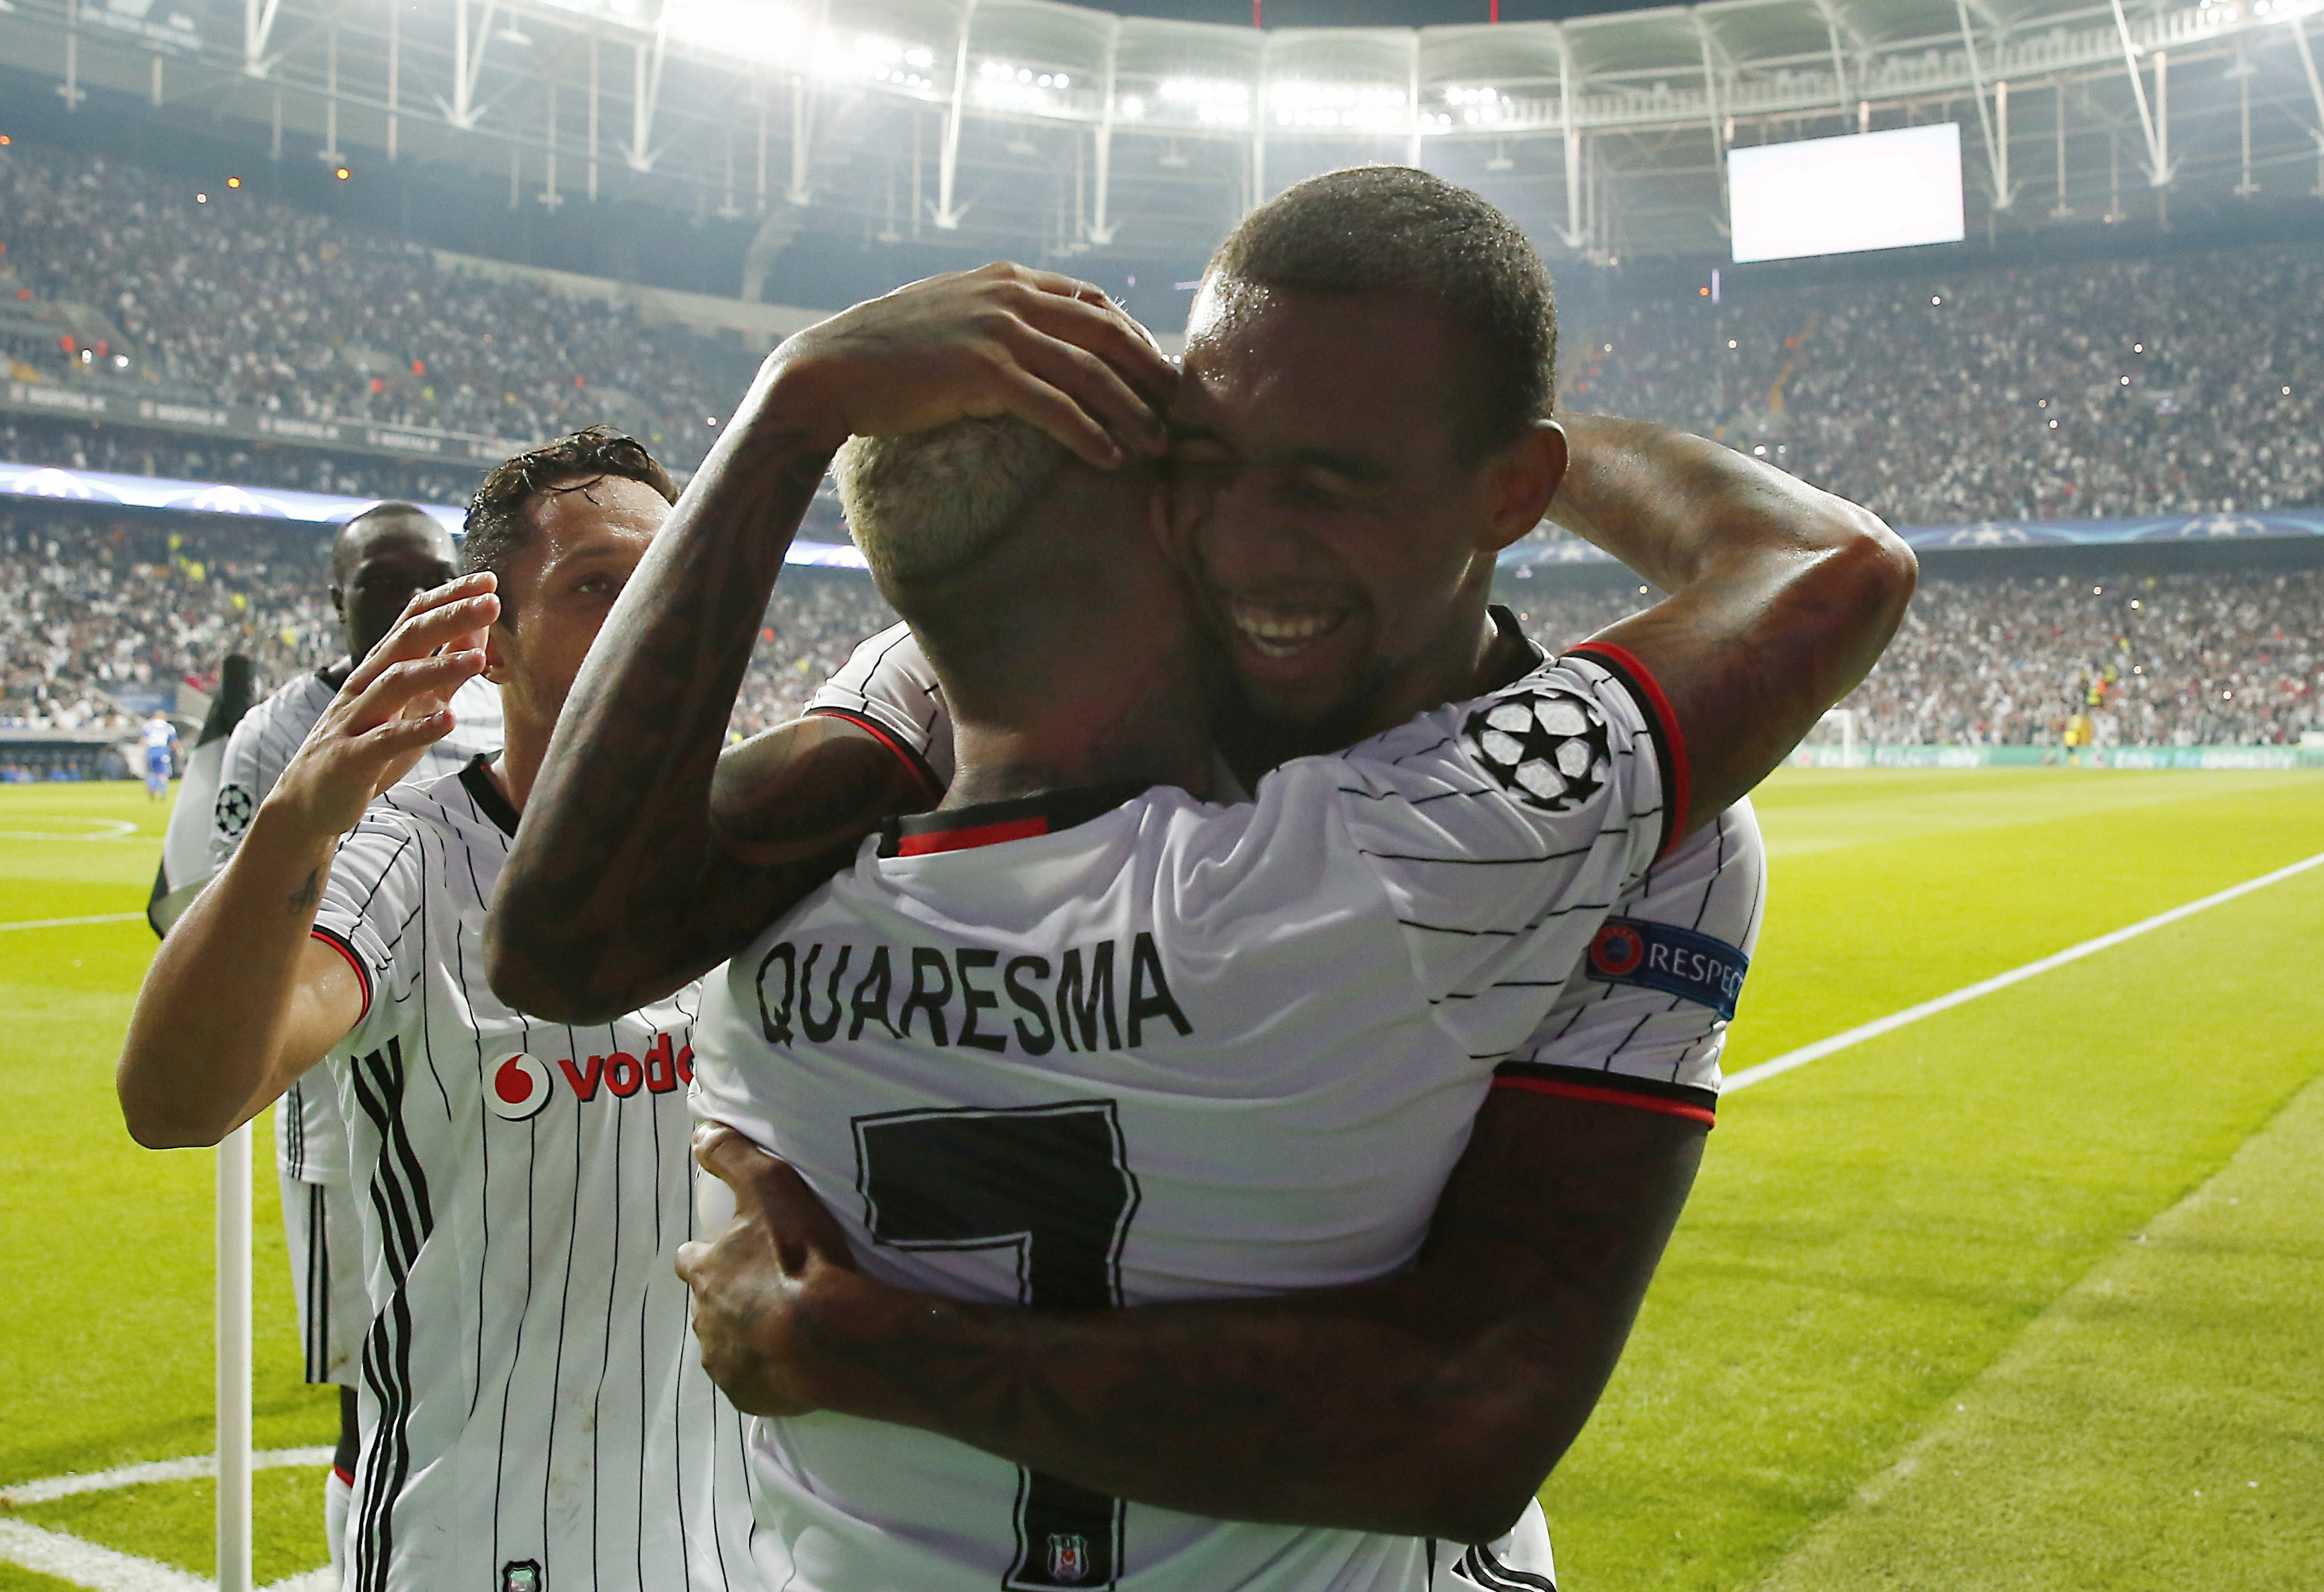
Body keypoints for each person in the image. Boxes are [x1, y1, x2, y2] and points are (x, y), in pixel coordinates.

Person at [486, 223, 1911, 1586]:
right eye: (1210, 463)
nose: (1254, 527)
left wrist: (794, 403)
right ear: (1158, 518)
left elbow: (561, 946)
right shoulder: (1401, 850)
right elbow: (1823, 565)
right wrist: (1452, 442)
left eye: (1324, 475)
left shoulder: (809, 880)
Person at [116, 430, 773, 1592]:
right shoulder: (407, 858)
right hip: (476, 1543)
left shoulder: (774, 856)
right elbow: (175, 1101)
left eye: (672, 577)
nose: (650, 613)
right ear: (493, 644)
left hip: (730, 1548)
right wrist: (295, 821)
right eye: (592, 585)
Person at [201, 500, 504, 1576]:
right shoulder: (280, 731)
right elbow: (213, 914)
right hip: (339, 1114)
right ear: (337, 597)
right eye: (382, 580)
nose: (411, 598)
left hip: (483, 1087)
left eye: (431, 575)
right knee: (368, 1385)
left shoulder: (489, 714)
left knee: (480, 1354)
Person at [139, 708, 178, 798]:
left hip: (151, 752)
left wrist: (141, 752)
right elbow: (174, 742)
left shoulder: (148, 725)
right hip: (162, 752)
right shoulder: (168, 727)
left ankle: (152, 790)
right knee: (162, 773)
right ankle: (163, 793)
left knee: (151, 772)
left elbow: (143, 740)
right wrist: (178, 751)